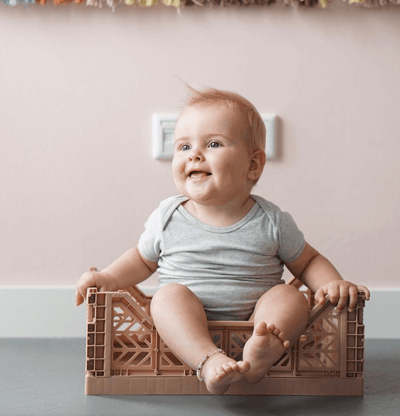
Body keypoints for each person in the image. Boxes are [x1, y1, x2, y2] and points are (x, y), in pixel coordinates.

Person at [76, 86, 370, 395]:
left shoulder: (272, 221)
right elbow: (140, 259)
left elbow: (308, 261)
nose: (195, 155)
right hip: (186, 331)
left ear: (253, 165)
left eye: (213, 143)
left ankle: (262, 353)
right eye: (183, 146)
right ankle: (209, 360)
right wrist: (108, 277)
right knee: (166, 298)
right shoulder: (168, 216)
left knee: (290, 296)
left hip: (255, 321)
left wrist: (331, 283)